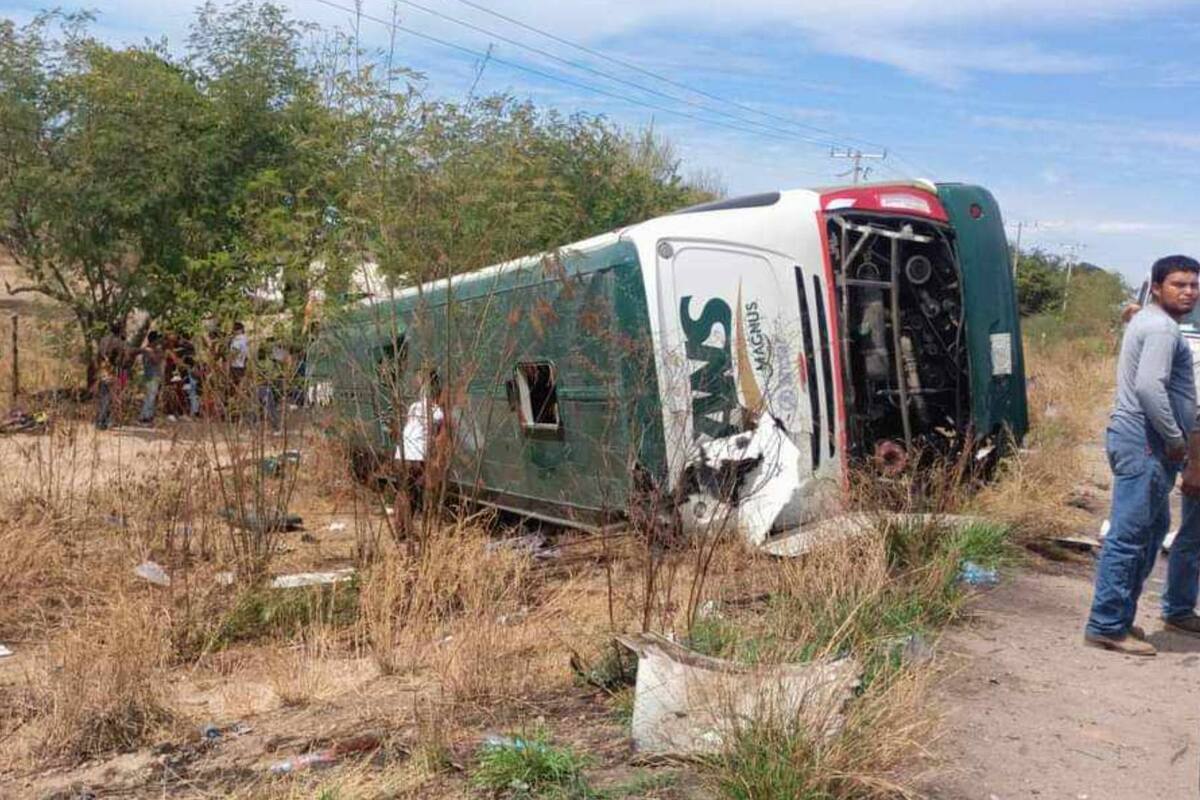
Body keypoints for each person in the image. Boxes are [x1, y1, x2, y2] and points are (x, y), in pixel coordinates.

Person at [1085, 255, 1200, 655]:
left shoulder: (1151, 322)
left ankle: (1118, 618)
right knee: (1130, 536)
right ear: (1156, 287)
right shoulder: (1163, 330)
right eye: (1178, 285)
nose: (1188, 292)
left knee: (1150, 532)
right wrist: (1175, 438)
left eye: (1193, 285)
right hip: (1146, 439)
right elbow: (1151, 387)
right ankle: (1106, 625)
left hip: (1143, 439)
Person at [394, 372, 445, 533]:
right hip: (416, 457)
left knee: (403, 492)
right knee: (414, 494)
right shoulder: (437, 412)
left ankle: (400, 529)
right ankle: (409, 531)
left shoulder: (413, 407)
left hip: (401, 454)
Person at [94, 323, 124, 430]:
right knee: (109, 397)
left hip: (103, 369)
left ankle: (98, 421)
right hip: (112, 370)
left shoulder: (103, 340)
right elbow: (119, 360)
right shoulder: (119, 342)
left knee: (102, 396)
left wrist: (99, 368)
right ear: (120, 331)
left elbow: (98, 355)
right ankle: (102, 422)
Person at [138, 331, 165, 425]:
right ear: (155, 340)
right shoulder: (148, 350)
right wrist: (161, 354)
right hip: (151, 376)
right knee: (151, 397)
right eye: (158, 339)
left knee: (151, 396)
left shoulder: (153, 349)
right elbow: (155, 360)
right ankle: (145, 417)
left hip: (154, 376)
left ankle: (147, 416)